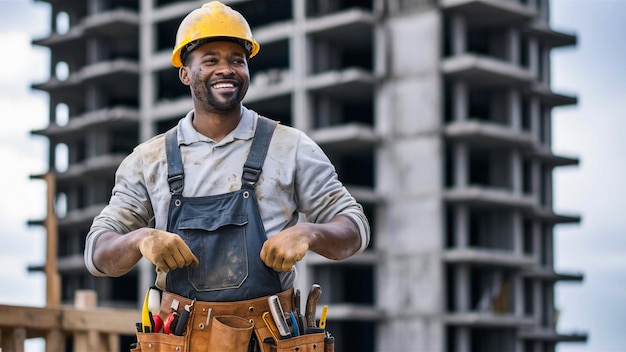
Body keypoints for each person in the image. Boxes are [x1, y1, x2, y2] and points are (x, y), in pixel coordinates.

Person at [84, 1, 369, 350]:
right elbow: (98, 253)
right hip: (181, 340)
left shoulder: (290, 147)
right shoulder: (149, 159)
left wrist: (310, 233)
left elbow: (355, 228)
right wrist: (140, 239)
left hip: (268, 338)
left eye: (237, 60)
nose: (227, 69)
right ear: (185, 73)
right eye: (210, 60)